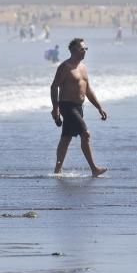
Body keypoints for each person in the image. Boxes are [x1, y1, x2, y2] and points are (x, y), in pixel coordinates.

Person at [50, 38, 108, 177]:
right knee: (85, 134)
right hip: (67, 106)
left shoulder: (83, 67)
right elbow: (54, 86)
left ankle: (57, 171)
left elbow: (88, 90)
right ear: (73, 50)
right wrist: (55, 108)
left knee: (66, 138)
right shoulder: (65, 67)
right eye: (82, 49)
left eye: (85, 49)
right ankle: (94, 169)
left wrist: (99, 107)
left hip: (78, 107)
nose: (85, 51)